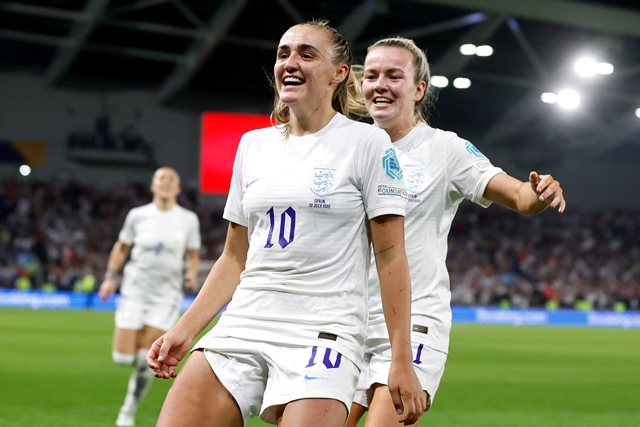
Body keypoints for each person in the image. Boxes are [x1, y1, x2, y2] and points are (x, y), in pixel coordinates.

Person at [146, 19, 426, 427]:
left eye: (306, 54)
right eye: (283, 53)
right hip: (244, 322)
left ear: (339, 74)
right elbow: (233, 257)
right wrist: (185, 330)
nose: (290, 62)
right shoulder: (252, 145)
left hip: (324, 331)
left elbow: (389, 256)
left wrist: (398, 361)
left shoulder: (367, 144)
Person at [345, 37, 567, 427]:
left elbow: (518, 195)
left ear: (418, 89)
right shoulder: (349, 148)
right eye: (373, 75)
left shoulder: (444, 149)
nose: (380, 84)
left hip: (413, 323)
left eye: (394, 76)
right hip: (346, 321)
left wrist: (538, 193)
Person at [98, 166, 201, 427]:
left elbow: (192, 254)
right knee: (122, 358)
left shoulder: (188, 219)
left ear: (177, 188)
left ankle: (128, 408)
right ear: (153, 186)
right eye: (160, 179)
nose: (166, 183)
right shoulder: (138, 216)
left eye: (171, 180)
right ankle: (133, 374)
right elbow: (121, 247)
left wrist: (191, 274)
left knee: (148, 359)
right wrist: (110, 277)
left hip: (165, 296)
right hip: (134, 291)